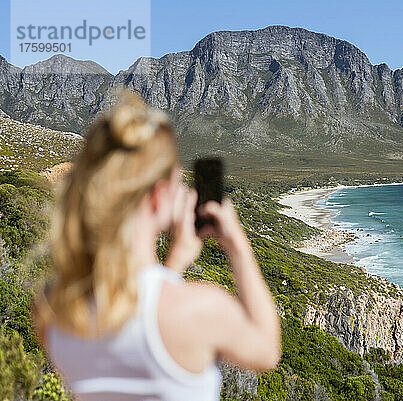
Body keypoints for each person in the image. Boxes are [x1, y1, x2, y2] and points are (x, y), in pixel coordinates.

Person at [33, 91, 281, 400]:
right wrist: (237, 245)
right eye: (178, 182)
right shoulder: (201, 307)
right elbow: (268, 349)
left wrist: (174, 264)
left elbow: (131, 320)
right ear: (157, 195)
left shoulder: (52, 307)